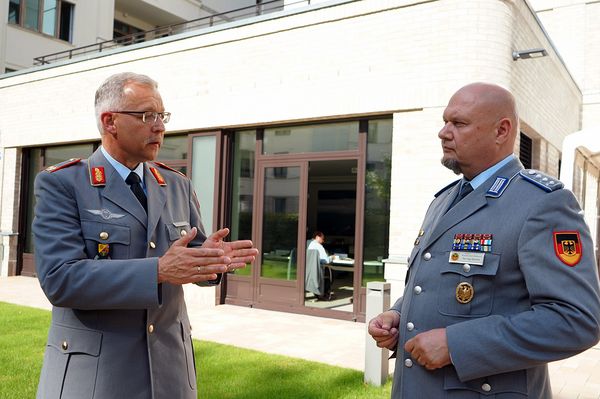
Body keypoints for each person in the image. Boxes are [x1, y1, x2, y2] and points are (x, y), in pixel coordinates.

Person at [33, 72, 258, 399]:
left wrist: (212, 261)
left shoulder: (177, 184)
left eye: (162, 116)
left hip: (170, 373)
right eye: (146, 116)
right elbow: (60, 279)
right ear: (109, 121)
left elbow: (189, 260)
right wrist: (158, 271)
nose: (160, 127)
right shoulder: (64, 184)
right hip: (98, 376)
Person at [368, 82, 600, 398]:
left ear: (501, 131)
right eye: (445, 122)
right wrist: (399, 315)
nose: (443, 132)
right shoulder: (445, 200)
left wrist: (457, 345)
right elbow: (437, 286)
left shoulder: (542, 203)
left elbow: (577, 320)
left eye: (458, 123)